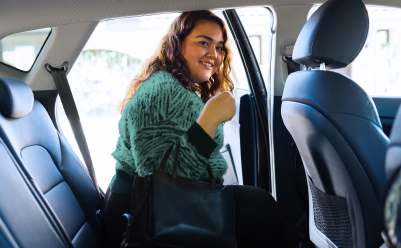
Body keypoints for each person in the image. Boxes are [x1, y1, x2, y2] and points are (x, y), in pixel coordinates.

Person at [104, 10, 300, 248]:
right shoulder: (160, 91)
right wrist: (210, 118)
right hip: (142, 215)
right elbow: (163, 178)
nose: (214, 54)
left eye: (219, 47)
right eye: (203, 42)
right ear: (176, 45)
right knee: (262, 208)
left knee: (259, 203)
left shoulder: (178, 87)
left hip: (157, 204)